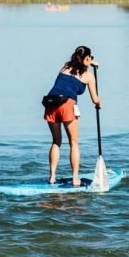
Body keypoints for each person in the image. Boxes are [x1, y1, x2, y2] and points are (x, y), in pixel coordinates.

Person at [42, 45, 101, 186]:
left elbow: (78, 65)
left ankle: (52, 177)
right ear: (86, 58)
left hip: (51, 103)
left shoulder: (64, 67)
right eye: (90, 57)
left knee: (56, 141)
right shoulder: (88, 76)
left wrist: (90, 62)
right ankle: (75, 178)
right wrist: (99, 104)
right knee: (73, 143)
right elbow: (95, 99)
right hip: (67, 105)